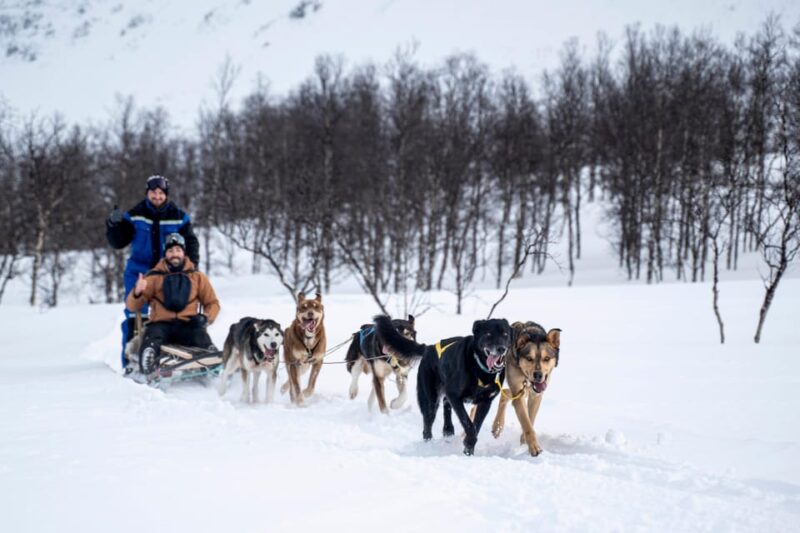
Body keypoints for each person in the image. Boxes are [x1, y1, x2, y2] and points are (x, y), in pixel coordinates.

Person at [106, 175, 200, 368]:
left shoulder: (179, 216)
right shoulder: (135, 215)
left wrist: (191, 267)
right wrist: (114, 225)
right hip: (139, 272)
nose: (157, 196)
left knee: (172, 315)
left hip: (168, 274)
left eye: (160, 193)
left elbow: (190, 243)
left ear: (166, 195)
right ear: (147, 193)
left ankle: (173, 358)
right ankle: (130, 361)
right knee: (135, 314)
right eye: (153, 192)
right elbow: (118, 242)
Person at [126, 233, 220, 374]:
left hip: (187, 324)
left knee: (199, 333)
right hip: (161, 325)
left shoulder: (197, 277)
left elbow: (212, 303)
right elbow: (132, 306)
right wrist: (137, 292)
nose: (174, 254)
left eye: (178, 250)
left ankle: (210, 355)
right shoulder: (153, 277)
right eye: (170, 251)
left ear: (183, 252)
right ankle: (148, 357)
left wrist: (206, 317)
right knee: (152, 336)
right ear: (165, 254)